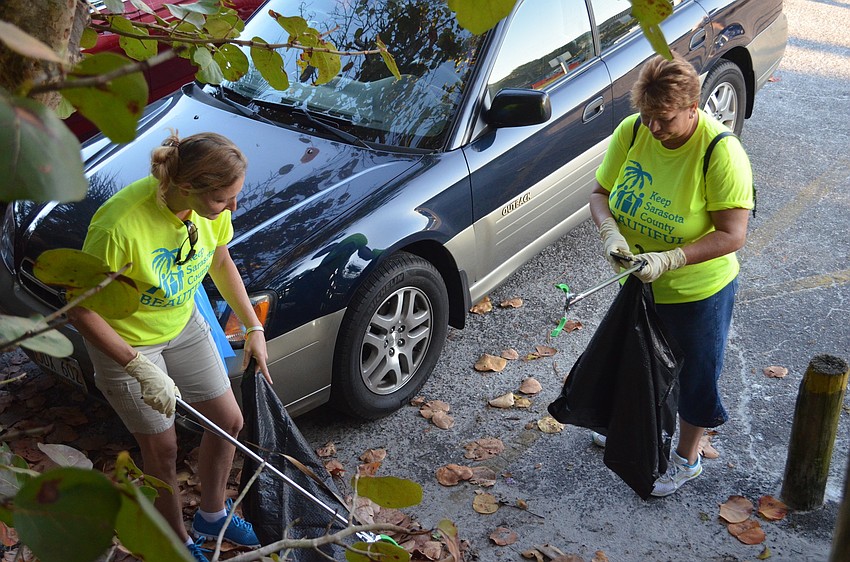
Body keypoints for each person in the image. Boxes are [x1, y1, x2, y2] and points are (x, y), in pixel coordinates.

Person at [67, 131, 271, 560]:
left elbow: (218, 258)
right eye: (222, 199)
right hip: (128, 343)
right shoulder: (118, 226)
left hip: (182, 323)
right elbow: (80, 310)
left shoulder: (212, 209)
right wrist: (137, 366)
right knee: (163, 450)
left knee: (227, 421)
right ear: (186, 186)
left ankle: (212, 515)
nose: (232, 207)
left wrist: (254, 327)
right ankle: (175, 542)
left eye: (235, 196)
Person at [588, 54, 753, 497]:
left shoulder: (720, 152)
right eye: (647, 116)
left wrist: (672, 259)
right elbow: (601, 193)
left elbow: (733, 234)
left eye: (664, 119)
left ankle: (686, 459)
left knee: (695, 376)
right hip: (641, 281)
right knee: (637, 361)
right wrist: (609, 233)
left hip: (698, 291)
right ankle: (633, 431)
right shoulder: (634, 131)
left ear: (693, 107)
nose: (654, 129)